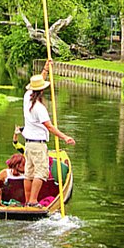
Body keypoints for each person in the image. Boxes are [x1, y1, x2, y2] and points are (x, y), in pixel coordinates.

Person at [22, 59, 75, 208]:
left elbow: (38, 83)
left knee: (29, 173)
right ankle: (33, 201)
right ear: (43, 90)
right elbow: (50, 127)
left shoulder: (27, 98)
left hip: (28, 144)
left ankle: (27, 202)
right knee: (41, 173)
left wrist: (45, 69)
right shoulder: (39, 108)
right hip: (38, 146)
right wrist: (65, 137)